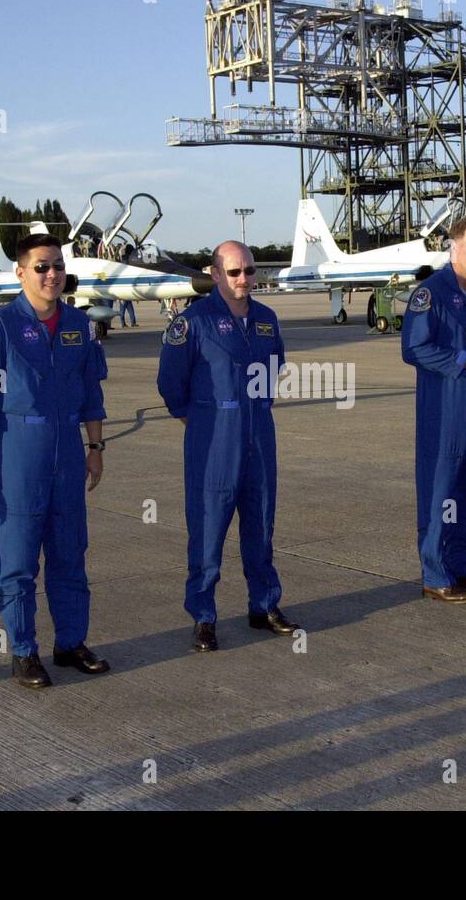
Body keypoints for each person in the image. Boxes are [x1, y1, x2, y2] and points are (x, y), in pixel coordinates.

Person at [0, 233, 111, 688]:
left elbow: (91, 393)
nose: (52, 275)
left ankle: (70, 643)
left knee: (70, 552)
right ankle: (23, 651)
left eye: (58, 267)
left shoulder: (78, 325)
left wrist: (96, 448)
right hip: (20, 447)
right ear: (21, 273)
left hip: (67, 447)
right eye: (43, 267)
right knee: (20, 558)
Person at [157, 240, 297, 651]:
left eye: (249, 271)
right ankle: (203, 615)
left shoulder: (267, 319)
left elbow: (274, 372)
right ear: (215, 273)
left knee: (261, 522)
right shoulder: (193, 322)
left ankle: (264, 605)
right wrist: (200, 420)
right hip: (212, 440)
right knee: (208, 528)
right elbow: (170, 383)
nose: (243, 279)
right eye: (234, 272)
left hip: (258, 436)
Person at [401, 218, 466, 604]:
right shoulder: (431, 293)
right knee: (440, 491)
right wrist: (465, 360)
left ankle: (464, 565)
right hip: (442, 408)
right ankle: (436, 572)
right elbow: (413, 348)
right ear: (454, 248)